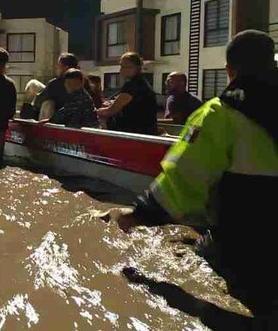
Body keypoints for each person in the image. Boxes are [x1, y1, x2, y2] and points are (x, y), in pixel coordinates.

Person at [107, 30, 278, 323]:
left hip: (247, 241)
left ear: (229, 70)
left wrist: (137, 214)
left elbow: (184, 179)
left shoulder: (220, 114)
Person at [96, 52, 157, 135]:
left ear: (137, 67)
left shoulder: (133, 85)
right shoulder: (140, 82)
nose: (122, 69)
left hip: (135, 133)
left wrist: (96, 112)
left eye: (127, 66)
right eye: (121, 66)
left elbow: (111, 111)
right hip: (141, 132)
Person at [37, 53, 80, 120]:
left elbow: (39, 100)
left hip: (61, 121)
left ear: (66, 67)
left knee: (48, 103)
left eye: (59, 65)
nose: (56, 67)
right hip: (68, 119)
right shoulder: (85, 83)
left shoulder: (55, 84)